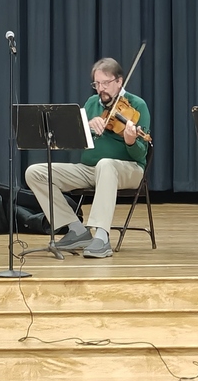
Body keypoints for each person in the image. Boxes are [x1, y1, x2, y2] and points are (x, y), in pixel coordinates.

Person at [24, 58, 150, 258]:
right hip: (90, 169)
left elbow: (141, 154)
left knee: (106, 165)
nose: (101, 89)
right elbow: (77, 142)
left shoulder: (137, 105)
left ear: (119, 81)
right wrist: (87, 126)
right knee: (35, 172)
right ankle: (76, 230)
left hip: (129, 170)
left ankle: (102, 236)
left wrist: (130, 141)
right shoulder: (92, 103)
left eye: (106, 83)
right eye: (97, 84)